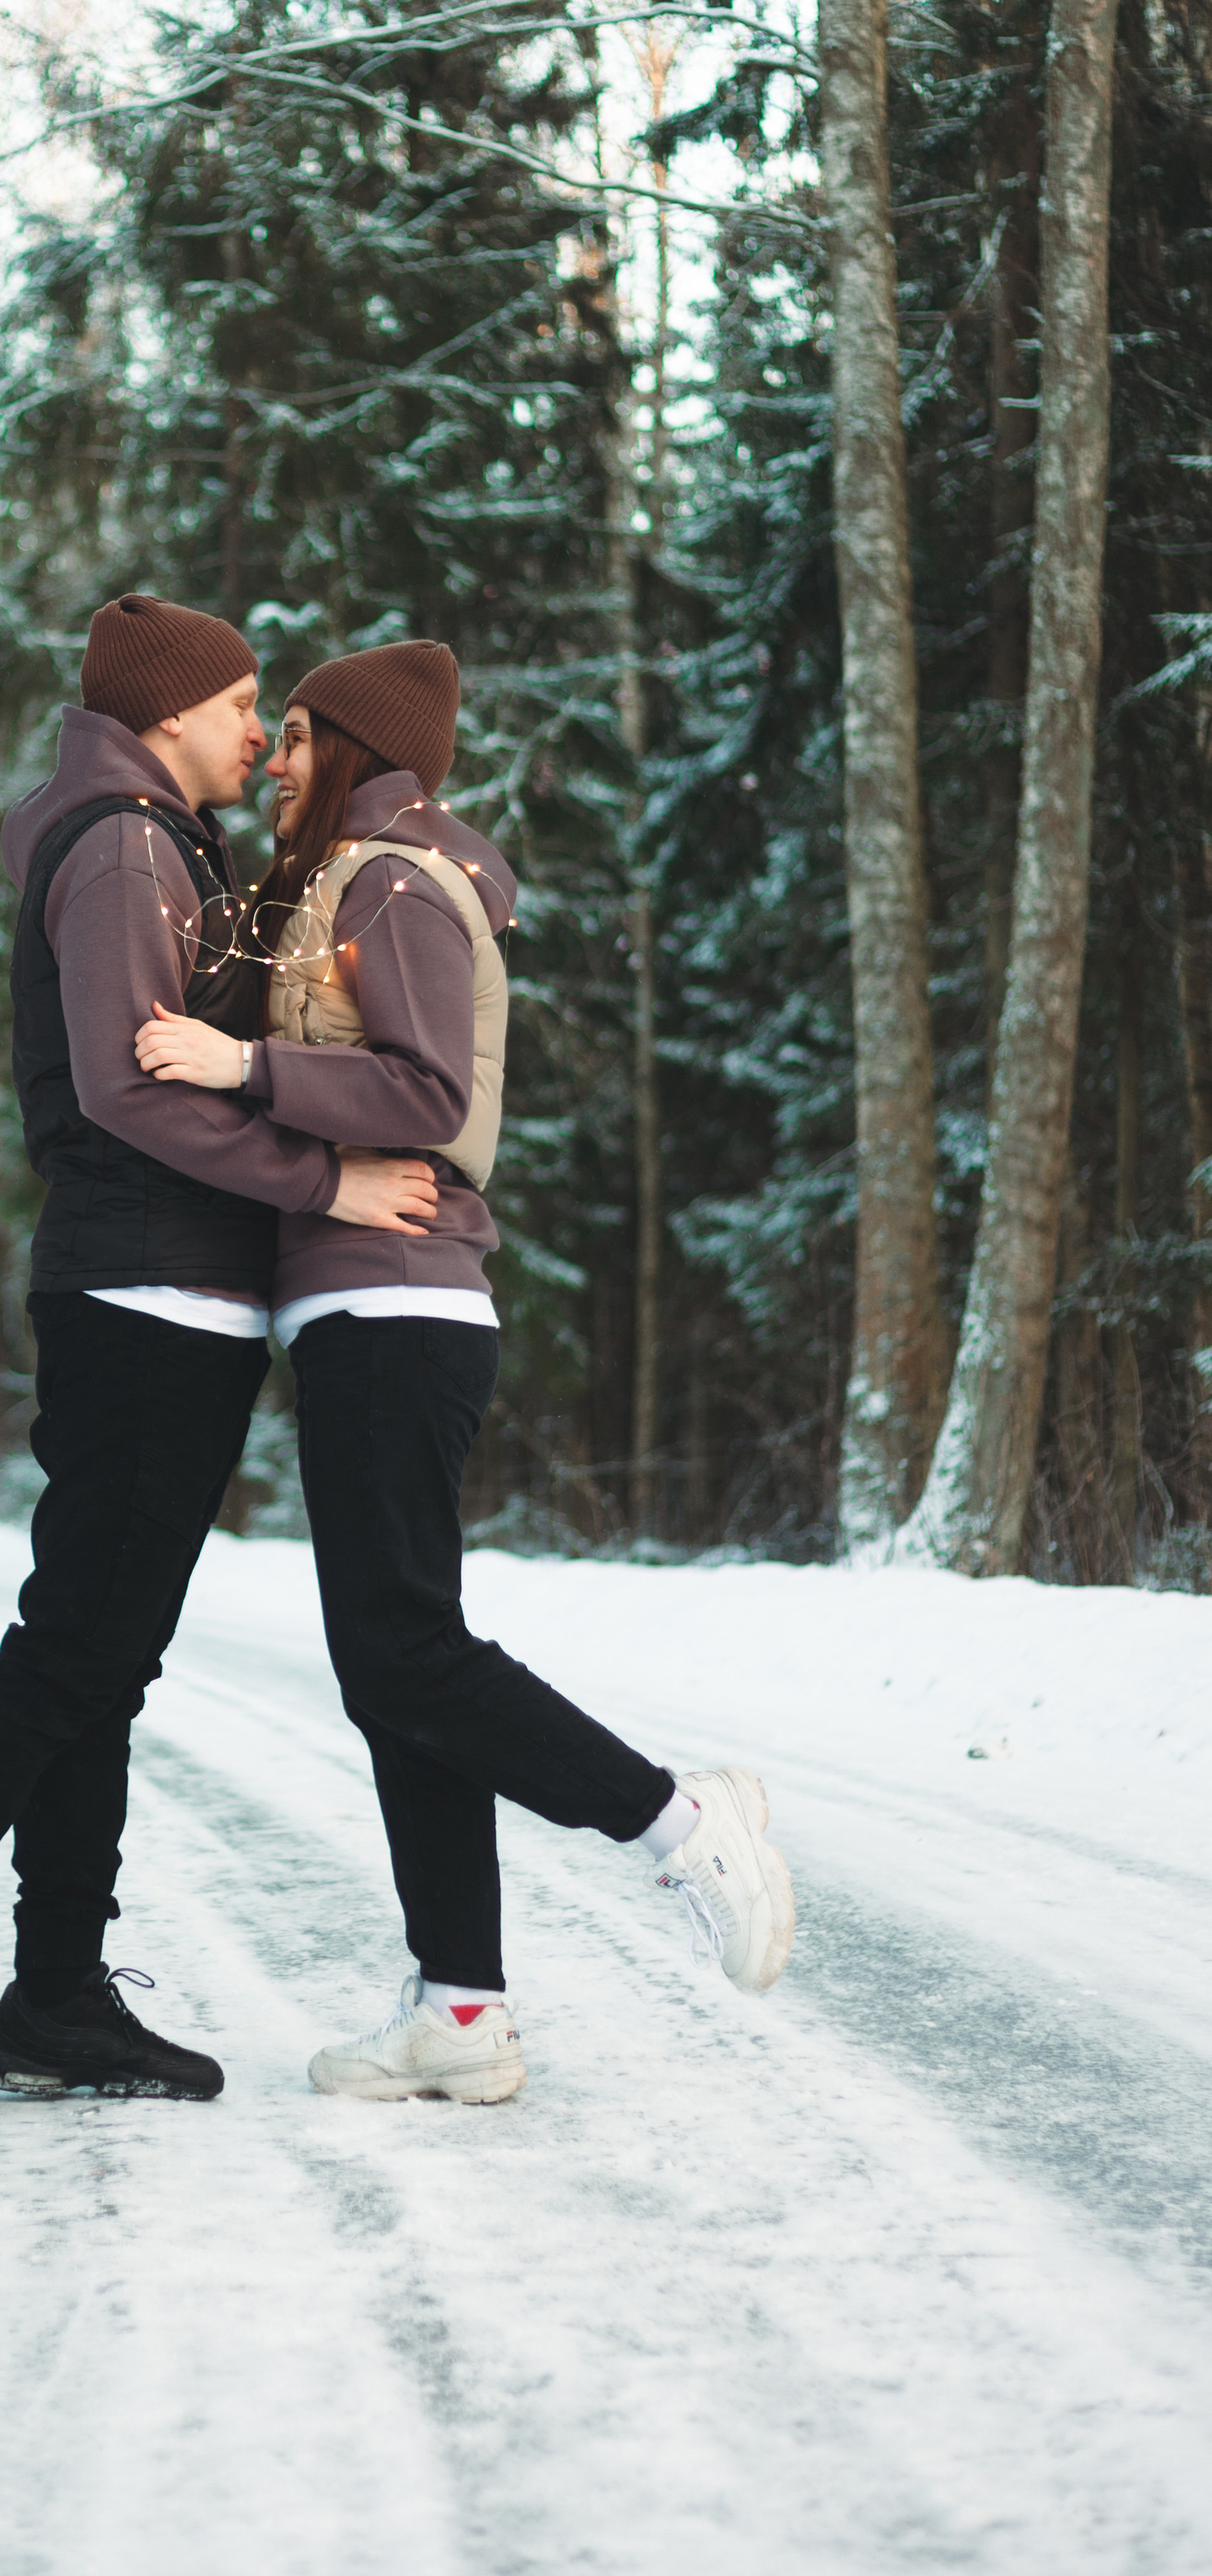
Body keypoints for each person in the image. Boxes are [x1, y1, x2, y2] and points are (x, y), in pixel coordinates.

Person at [135, 639, 795, 2104]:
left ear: (358, 751)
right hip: (358, 1306)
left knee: (405, 1654)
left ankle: (681, 1827)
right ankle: (462, 2009)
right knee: (397, 1667)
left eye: (299, 734)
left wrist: (242, 1069)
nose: (279, 759)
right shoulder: (341, 882)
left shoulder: (391, 881)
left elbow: (431, 1093)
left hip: (399, 1300)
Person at [0, 594, 437, 2133]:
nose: (258, 734)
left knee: (100, 1660)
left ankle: (55, 1994)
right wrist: (328, 1182)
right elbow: (122, 1089)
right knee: (68, 1656)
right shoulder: (121, 850)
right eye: (239, 704)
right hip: (141, 1291)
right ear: (166, 713)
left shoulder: (164, 844)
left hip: (179, 1295)